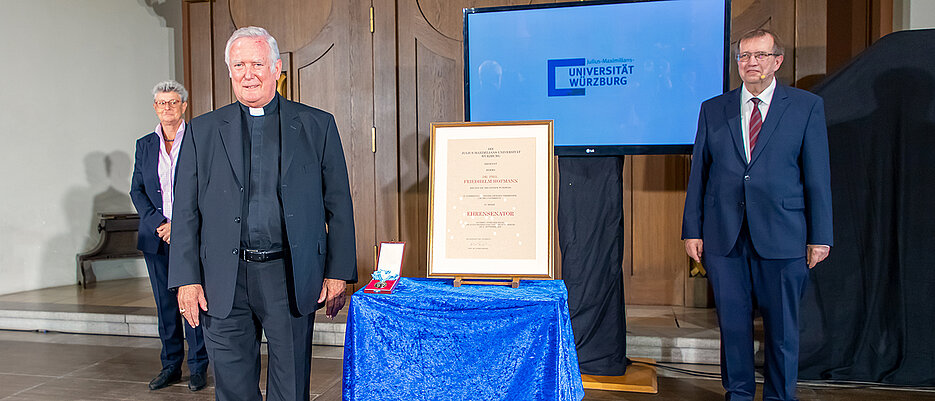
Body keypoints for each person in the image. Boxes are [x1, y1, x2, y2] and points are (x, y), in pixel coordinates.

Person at [168, 26, 357, 401]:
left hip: (288, 274)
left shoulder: (317, 125)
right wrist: (186, 279)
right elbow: (185, 211)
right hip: (224, 278)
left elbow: (339, 204)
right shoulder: (203, 131)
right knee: (233, 389)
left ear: (277, 68)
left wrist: (338, 272)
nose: (248, 72)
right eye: (238, 64)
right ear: (229, 71)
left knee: (291, 388)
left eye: (257, 63)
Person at [681, 29, 832, 401]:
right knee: (733, 328)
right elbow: (699, 172)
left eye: (760, 56)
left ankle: (780, 396)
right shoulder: (713, 108)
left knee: (782, 331)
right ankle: (739, 394)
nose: (751, 63)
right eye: (744, 56)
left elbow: (817, 177)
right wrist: (691, 230)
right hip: (724, 236)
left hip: (784, 236)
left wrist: (821, 235)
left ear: (777, 61)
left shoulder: (805, 106)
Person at [129, 80, 209, 391]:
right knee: (165, 306)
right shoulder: (144, 145)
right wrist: (160, 224)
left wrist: (182, 226)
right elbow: (137, 190)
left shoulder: (199, 140)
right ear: (154, 107)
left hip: (192, 237)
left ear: (184, 106)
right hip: (157, 237)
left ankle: (199, 365)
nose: (167, 108)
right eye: (161, 103)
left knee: (193, 301)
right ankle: (171, 365)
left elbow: (208, 188)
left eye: (173, 102)